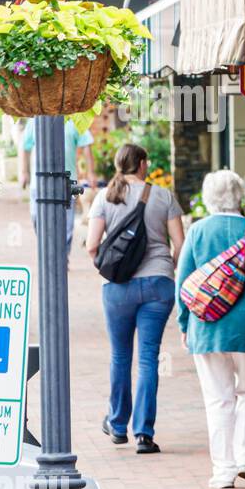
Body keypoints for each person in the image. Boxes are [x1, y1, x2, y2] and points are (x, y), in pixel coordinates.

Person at [176, 169, 245, 489]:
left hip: (207, 327)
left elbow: (182, 282)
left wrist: (185, 324)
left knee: (218, 398)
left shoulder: (197, 232)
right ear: (240, 197)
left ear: (209, 198)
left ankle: (223, 471)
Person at [85, 142, 185, 454]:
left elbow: (91, 246)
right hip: (158, 284)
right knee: (147, 358)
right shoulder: (163, 196)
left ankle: (117, 426)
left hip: (118, 288)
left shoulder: (104, 196)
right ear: (142, 164)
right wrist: (166, 264)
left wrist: (113, 268)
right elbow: (180, 243)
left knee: (120, 357)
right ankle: (144, 433)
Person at [19, 117, 95, 263]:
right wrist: (24, 172)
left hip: (67, 182)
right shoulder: (35, 120)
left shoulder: (74, 118)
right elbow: (25, 146)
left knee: (66, 222)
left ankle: (62, 257)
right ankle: (47, 248)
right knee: (36, 217)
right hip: (39, 182)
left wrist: (91, 172)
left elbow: (87, 144)